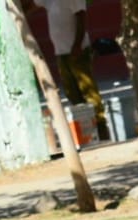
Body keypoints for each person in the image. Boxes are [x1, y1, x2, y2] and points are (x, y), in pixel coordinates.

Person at [37, 0, 107, 141]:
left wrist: (77, 44)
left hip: (77, 50)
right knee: (71, 92)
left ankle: (101, 128)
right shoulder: (49, 1)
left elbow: (81, 18)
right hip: (60, 52)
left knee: (88, 91)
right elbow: (31, 5)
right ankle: (86, 131)